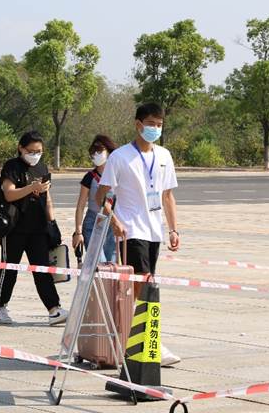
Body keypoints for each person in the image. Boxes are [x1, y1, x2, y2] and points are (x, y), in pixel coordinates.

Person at [95, 102, 181, 366]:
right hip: (132, 230)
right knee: (144, 288)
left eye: (159, 124)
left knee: (141, 287)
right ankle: (148, 344)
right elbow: (102, 195)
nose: (155, 128)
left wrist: (173, 229)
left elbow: (167, 196)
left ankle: (130, 340)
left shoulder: (164, 156)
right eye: (150, 123)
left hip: (154, 232)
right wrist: (114, 221)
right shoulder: (120, 157)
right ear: (138, 124)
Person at [0, 131, 68, 326]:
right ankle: (1, 307)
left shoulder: (42, 168)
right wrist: (31, 188)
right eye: (31, 151)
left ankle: (54, 309)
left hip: (38, 228)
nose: (35, 155)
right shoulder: (12, 167)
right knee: (10, 267)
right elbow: (9, 194)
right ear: (21, 148)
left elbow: (48, 198)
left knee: (42, 269)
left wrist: (52, 223)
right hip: (14, 228)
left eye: (39, 151)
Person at [73, 135, 118, 262]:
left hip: (112, 223)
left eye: (100, 151)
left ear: (109, 151)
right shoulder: (89, 177)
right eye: (93, 152)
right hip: (93, 223)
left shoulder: (118, 174)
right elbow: (80, 206)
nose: (96, 155)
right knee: (98, 263)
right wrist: (78, 232)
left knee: (112, 264)